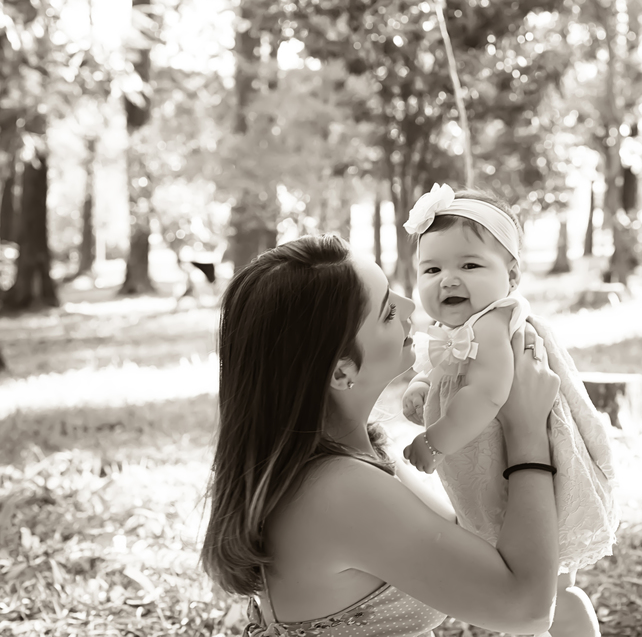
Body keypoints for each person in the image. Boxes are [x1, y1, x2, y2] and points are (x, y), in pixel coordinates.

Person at [202, 234, 563, 637]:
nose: (411, 307)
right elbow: (528, 610)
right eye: (389, 312)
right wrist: (527, 431)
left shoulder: (356, 453)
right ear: (342, 372)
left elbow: (473, 542)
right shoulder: (338, 490)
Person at [400, 184, 619, 637]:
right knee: (534, 583)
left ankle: (570, 627)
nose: (448, 279)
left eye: (470, 265)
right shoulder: (456, 327)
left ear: (512, 276)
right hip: (498, 465)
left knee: (550, 586)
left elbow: (487, 394)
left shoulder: (495, 323)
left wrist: (434, 440)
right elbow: (442, 367)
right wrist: (422, 387)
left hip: (524, 467)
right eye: (431, 268)